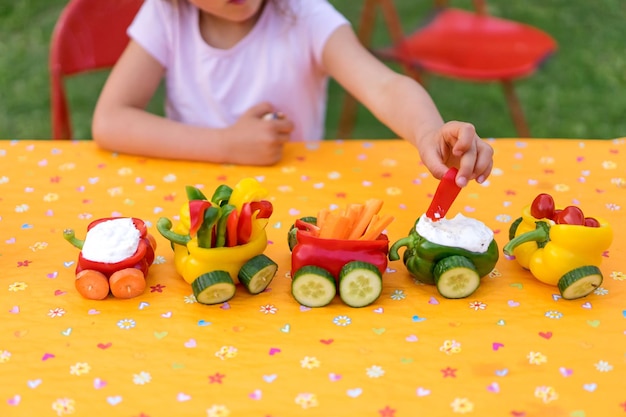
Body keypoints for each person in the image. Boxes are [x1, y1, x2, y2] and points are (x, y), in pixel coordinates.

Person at [92, 0, 493, 187]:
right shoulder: (166, 14)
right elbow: (111, 120)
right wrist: (225, 145)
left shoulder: (304, 14)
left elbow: (384, 86)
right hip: (187, 202)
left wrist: (427, 132)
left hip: (294, 205)